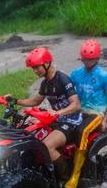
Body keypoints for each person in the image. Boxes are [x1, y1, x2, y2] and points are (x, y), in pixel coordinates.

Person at [5, 47, 81, 178]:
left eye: (36, 67)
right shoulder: (45, 83)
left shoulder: (63, 79)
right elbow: (35, 101)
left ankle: (66, 177)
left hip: (71, 121)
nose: (34, 71)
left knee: (46, 146)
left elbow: (76, 104)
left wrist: (59, 113)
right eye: (32, 68)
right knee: (30, 134)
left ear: (46, 63)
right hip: (55, 120)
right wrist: (16, 101)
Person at [64, 39, 107, 188]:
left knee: (82, 132)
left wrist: (105, 119)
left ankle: (75, 175)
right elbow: (68, 92)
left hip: (96, 113)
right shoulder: (75, 74)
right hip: (77, 111)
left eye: (91, 59)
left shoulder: (103, 76)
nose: (87, 61)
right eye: (85, 58)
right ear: (81, 58)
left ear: (97, 58)